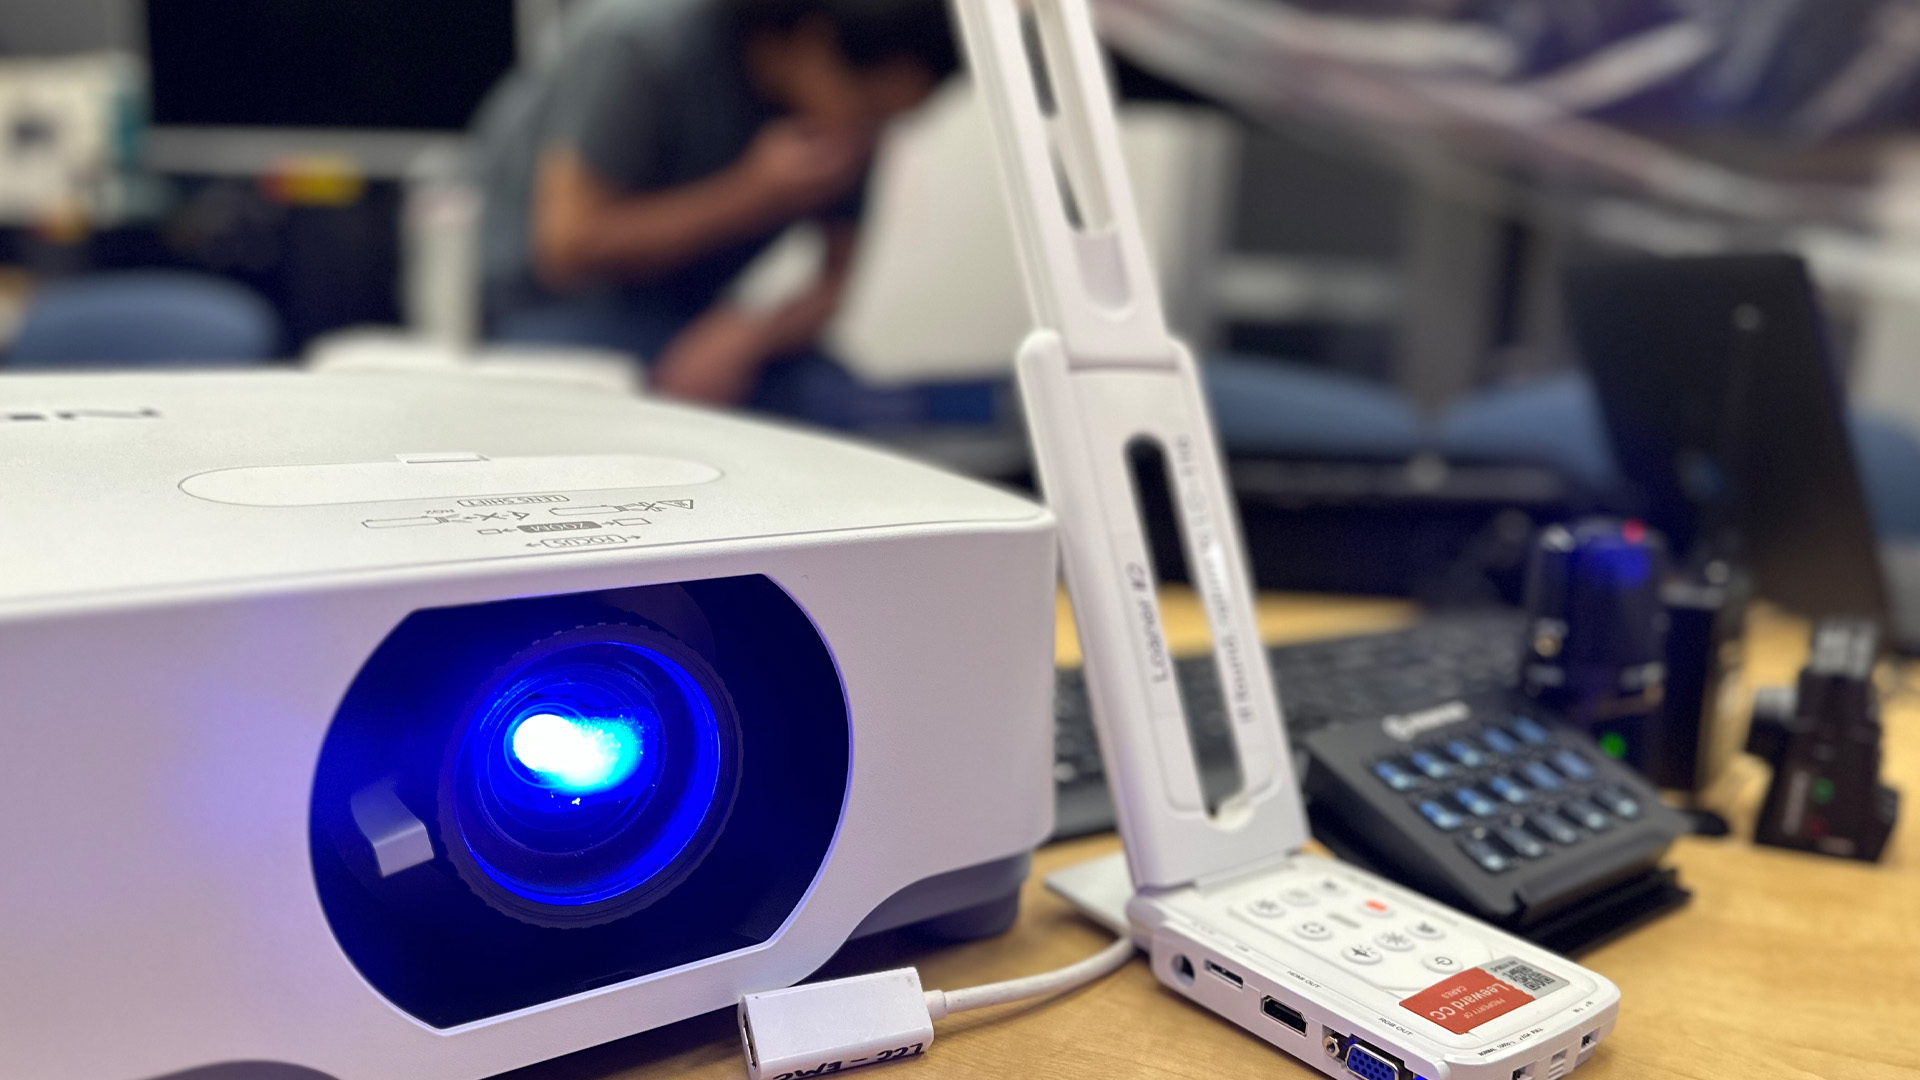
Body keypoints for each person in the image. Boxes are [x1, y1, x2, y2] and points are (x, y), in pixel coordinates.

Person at [472, 0, 959, 418]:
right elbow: (566, 248)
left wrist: (745, 336)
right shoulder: (641, 40)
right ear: (815, 43)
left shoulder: (849, 117)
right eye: (868, 109)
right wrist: (750, 195)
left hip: (685, 317)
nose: (869, 134)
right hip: (540, 307)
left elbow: (833, 283)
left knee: (839, 401)